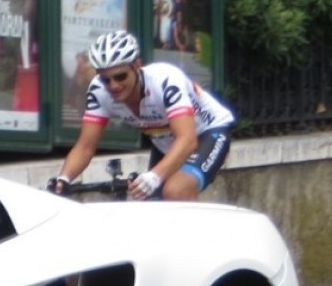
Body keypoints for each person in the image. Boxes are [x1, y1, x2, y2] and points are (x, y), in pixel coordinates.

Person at [47, 30, 235, 201]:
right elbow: (85, 147)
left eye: (120, 76)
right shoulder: (98, 91)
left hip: (207, 132)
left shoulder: (165, 80)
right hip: (166, 141)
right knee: (149, 203)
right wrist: (64, 179)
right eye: (106, 79)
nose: (113, 85)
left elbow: (187, 140)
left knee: (176, 191)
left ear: (137, 66)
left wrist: (154, 176)